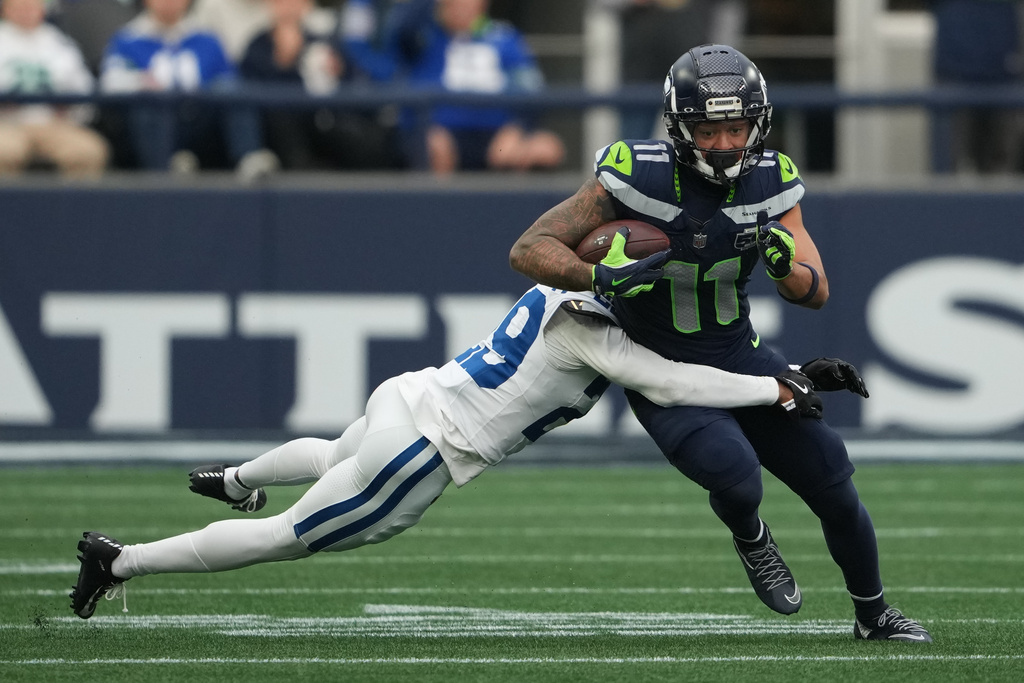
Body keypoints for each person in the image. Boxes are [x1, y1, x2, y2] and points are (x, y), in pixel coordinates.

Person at [69, 278, 853, 619]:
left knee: (338, 448)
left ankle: (239, 476)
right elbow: (678, 382)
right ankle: (120, 559)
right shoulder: (594, 328)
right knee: (286, 536)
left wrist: (776, 369)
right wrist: (776, 389)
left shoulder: (558, 290)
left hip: (406, 397)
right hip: (428, 450)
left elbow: (686, 360)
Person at [508, 44, 933, 643]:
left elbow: (814, 291)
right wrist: (597, 276)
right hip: (660, 366)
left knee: (833, 479)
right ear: (681, 128)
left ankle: (874, 615)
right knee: (736, 475)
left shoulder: (773, 179)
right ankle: (752, 537)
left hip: (739, 355)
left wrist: (788, 268)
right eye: (710, 130)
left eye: (737, 128)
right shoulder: (635, 173)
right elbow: (530, 248)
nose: (728, 144)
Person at [99, 0, 278, 177]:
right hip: (154, 121)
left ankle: (248, 159)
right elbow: (109, 82)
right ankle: (163, 171)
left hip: (200, 119)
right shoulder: (127, 39)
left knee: (230, 90)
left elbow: (228, 78)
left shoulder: (206, 38)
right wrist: (140, 82)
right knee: (149, 104)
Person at [383, 0, 565, 173]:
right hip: (442, 132)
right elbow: (403, 28)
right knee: (432, 146)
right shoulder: (424, 38)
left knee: (547, 148)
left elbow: (531, 90)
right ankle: (438, 206)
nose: (462, 6)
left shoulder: (505, 37)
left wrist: (518, 128)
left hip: (497, 135)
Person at [239, 0, 402, 170]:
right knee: (285, 127)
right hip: (283, 129)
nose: (287, 6)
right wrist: (283, 64)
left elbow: (350, 80)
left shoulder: (323, 41)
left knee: (370, 142)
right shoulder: (257, 47)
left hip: (326, 121)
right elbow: (254, 93)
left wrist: (339, 71)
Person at [0, 0, 109, 177]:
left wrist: (69, 108)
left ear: (42, 11)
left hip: (53, 123)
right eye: (19, 7)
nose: (26, 12)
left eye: (31, 7)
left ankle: (74, 205)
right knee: (4, 152)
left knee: (88, 151)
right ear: (5, 11)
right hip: (7, 124)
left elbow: (84, 92)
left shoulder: (59, 42)